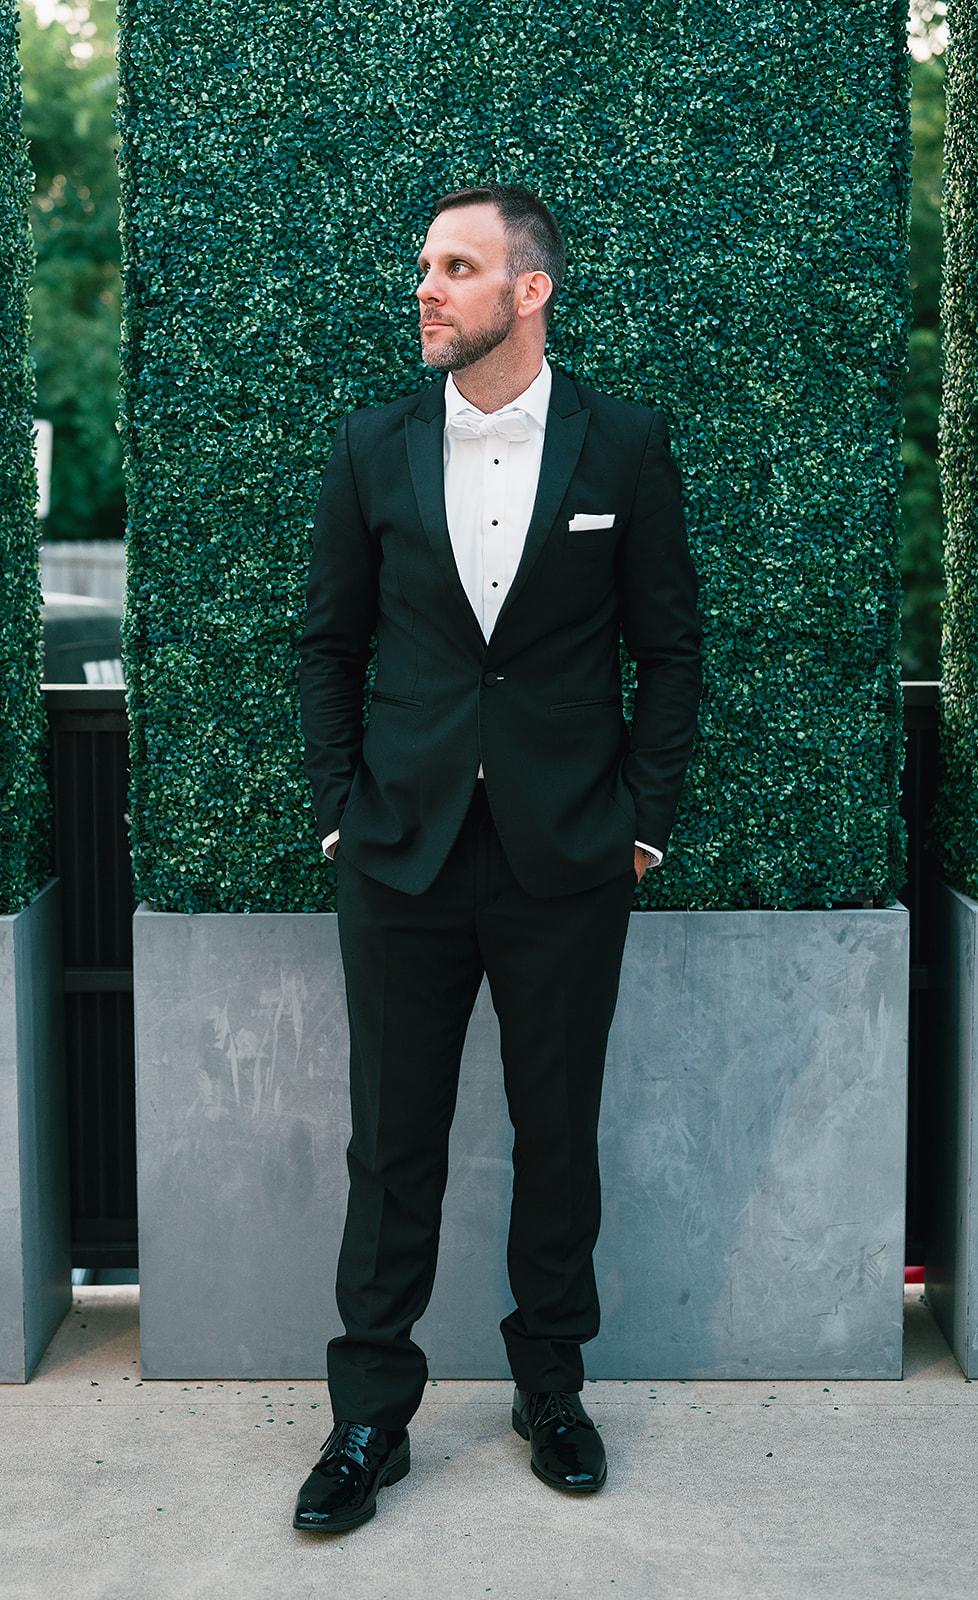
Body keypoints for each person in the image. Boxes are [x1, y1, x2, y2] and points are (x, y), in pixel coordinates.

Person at [294, 183, 702, 1532]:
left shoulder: (622, 447)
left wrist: (639, 821)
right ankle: (368, 1419)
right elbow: (325, 646)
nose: (426, 287)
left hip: (566, 857)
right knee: (389, 1145)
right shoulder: (371, 445)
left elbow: (670, 651)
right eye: (423, 265)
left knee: (556, 1137)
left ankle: (550, 1389)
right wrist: (340, 812)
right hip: (399, 856)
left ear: (530, 290)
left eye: (456, 268)